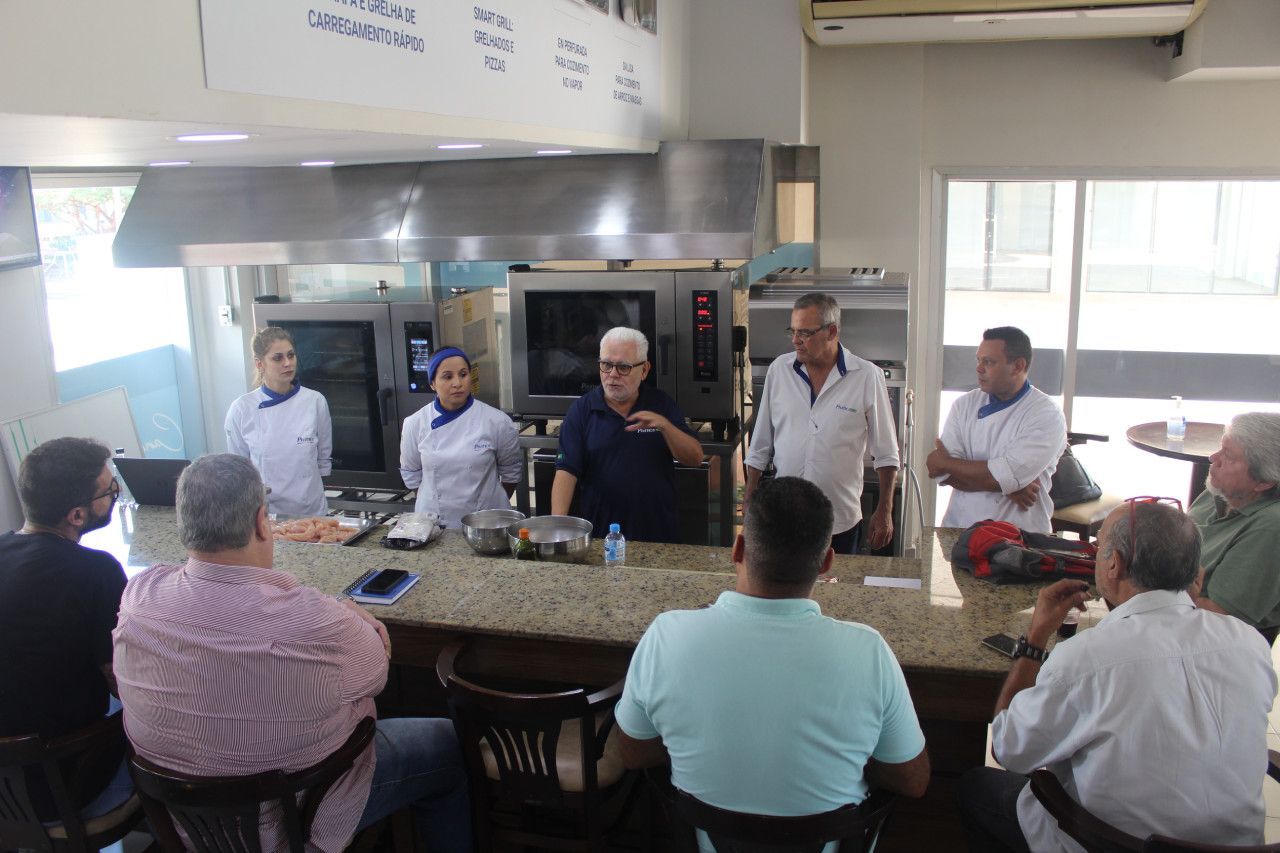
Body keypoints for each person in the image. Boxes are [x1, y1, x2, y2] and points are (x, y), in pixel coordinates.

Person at [113, 454, 469, 852]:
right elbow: (374, 673)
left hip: (187, 824)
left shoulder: (139, 594)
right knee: (451, 743)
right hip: (296, 819)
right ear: (261, 523)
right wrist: (350, 614)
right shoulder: (314, 620)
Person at [614, 476, 929, 852]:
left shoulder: (667, 636)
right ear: (827, 561)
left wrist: (693, 747)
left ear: (738, 548)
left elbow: (632, 752)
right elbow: (912, 779)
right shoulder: (869, 651)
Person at [957, 499, 1277, 852]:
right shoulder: (1249, 644)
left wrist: (1035, 639)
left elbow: (1010, 751)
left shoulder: (1087, 658)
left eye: (1100, 547)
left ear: (1115, 563)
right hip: (1238, 848)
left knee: (975, 786)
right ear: (1193, 572)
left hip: (1108, 843)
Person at [0, 436, 132, 821]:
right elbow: (122, 683)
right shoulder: (96, 572)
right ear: (76, 515)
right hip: (64, 783)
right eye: (110, 491)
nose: (116, 495)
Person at [745, 292, 900, 554]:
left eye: (804, 333)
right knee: (785, 590)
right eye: (792, 331)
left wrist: (885, 510)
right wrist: (750, 495)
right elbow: (760, 443)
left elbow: (886, 453)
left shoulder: (866, 376)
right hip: (786, 516)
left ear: (831, 331)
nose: (795, 340)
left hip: (840, 520)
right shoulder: (779, 371)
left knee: (836, 592)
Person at [551, 326, 704, 543]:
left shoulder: (661, 404)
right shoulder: (582, 411)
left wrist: (665, 426)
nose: (612, 374)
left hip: (658, 536)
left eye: (623, 367)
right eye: (606, 365)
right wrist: (558, 530)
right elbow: (566, 473)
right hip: (602, 538)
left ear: (644, 370)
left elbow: (695, 458)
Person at [927, 326, 1066, 533]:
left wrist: (946, 462)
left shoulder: (1046, 414)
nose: (979, 369)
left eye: (989, 362)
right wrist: (1009, 487)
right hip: (959, 530)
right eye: (978, 360)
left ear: (1018, 366)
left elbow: (999, 476)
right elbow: (943, 474)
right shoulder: (963, 405)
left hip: (1019, 539)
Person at [399, 346, 521, 529]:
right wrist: (432, 500)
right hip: (435, 524)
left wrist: (488, 504)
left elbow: (511, 473)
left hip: (487, 526)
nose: (457, 383)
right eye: (447, 377)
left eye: (463, 374)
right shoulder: (415, 423)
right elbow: (411, 474)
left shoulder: (497, 421)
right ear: (432, 383)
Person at [1187, 412, 1280, 640]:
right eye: (1220, 447)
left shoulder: (1271, 527)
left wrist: (1136, 589)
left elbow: (1219, 617)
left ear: (1264, 482)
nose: (1212, 458)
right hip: (1170, 616)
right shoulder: (1220, 492)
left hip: (1212, 645)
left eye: (1228, 455)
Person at [224, 326, 333, 517]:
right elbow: (239, 471)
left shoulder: (315, 401)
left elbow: (323, 459)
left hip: (311, 512)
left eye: (291, 355)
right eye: (278, 358)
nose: (287, 363)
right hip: (267, 514)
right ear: (260, 364)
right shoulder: (242, 409)